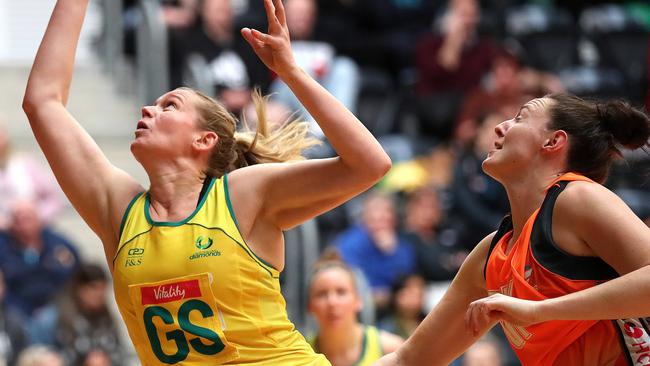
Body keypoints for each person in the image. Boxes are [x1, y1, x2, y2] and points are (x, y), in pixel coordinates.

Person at [23, 0, 391, 365]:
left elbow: (369, 164)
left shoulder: (242, 194)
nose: (147, 110)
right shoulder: (120, 211)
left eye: (169, 106)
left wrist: (291, 72)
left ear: (204, 140)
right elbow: (42, 101)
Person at [373, 94, 650, 365]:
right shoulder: (490, 254)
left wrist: (538, 311)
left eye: (520, 117)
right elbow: (409, 359)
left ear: (553, 141)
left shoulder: (576, 197)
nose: (500, 126)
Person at [307, 250, 403, 366]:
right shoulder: (299, 353)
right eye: (322, 294)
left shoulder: (392, 349)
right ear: (310, 306)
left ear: (358, 301)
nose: (332, 302)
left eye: (341, 292)